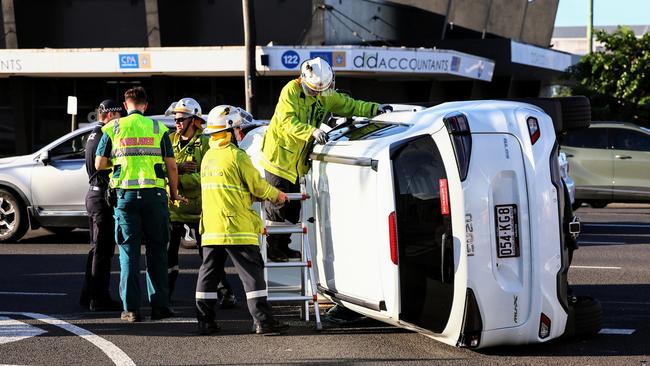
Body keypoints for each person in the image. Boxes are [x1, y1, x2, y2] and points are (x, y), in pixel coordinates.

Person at [260, 56, 392, 261]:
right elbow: (287, 121)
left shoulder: (325, 94)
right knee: (279, 207)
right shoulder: (291, 91)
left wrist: (375, 109)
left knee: (292, 210)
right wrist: (311, 131)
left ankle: (282, 246)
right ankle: (273, 249)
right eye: (314, 90)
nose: (317, 93)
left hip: (295, 163)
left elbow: (350, 105)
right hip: (279, 159)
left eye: (321, 90)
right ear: (303, 80)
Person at [195, 105, 289, 335]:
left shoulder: (208, 156)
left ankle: (205, 321)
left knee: (208, 274)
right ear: (229, 130)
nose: (239, 133)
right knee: (252, 275)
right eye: (237, 128)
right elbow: (257, 185)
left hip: (211, 227)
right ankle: (264, 322)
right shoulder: (236, 155)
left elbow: (228, 187)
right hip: (236, 226)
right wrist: (277, 195)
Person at [95, 86, 185, 322]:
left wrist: (117, 164)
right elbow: (172, 166)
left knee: (128, 253)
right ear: (145, 106)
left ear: (126, 106)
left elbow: (98, 163)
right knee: (157, 252)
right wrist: (173, 193)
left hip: (125, 197)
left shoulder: (113, 128)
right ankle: (160, 307)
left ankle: (132, 310)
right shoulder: (158, 128)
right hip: (154, 197)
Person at [165, 97, 236, 308]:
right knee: (168, 257)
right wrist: (178, 167)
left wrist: (179, 177)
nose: (177, 123)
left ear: (194, 120)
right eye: (176, 119)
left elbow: (208, 174)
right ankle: (164, 296)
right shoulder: (169, 140)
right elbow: (162, 169)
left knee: (209, 255)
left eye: (181, 119)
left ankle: (226, 293)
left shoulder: (206, 143)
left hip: (200, 209)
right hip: (174, 209)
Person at [79, 99, 123, 312]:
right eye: (119, 116)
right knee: (103, 251)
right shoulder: (105, 135)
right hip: (101, 196)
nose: (120, 120)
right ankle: (99, 298)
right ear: (111, 115)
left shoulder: (92, 135)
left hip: (93, 195)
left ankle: (87, 295)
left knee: (96, 249)